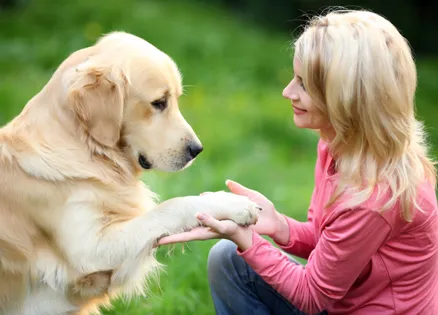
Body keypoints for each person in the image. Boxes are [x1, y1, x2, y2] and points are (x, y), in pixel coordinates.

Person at [158, 9, 438, 315]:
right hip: (344, 304)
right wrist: (279, 226)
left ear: (347, 100)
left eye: (304, 85)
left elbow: (311, 296)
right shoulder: (340, 146)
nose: (287, 91)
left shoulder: (373, 197)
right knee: (229, 260)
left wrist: (246, 238)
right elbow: (328, 243)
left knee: (235, 253)